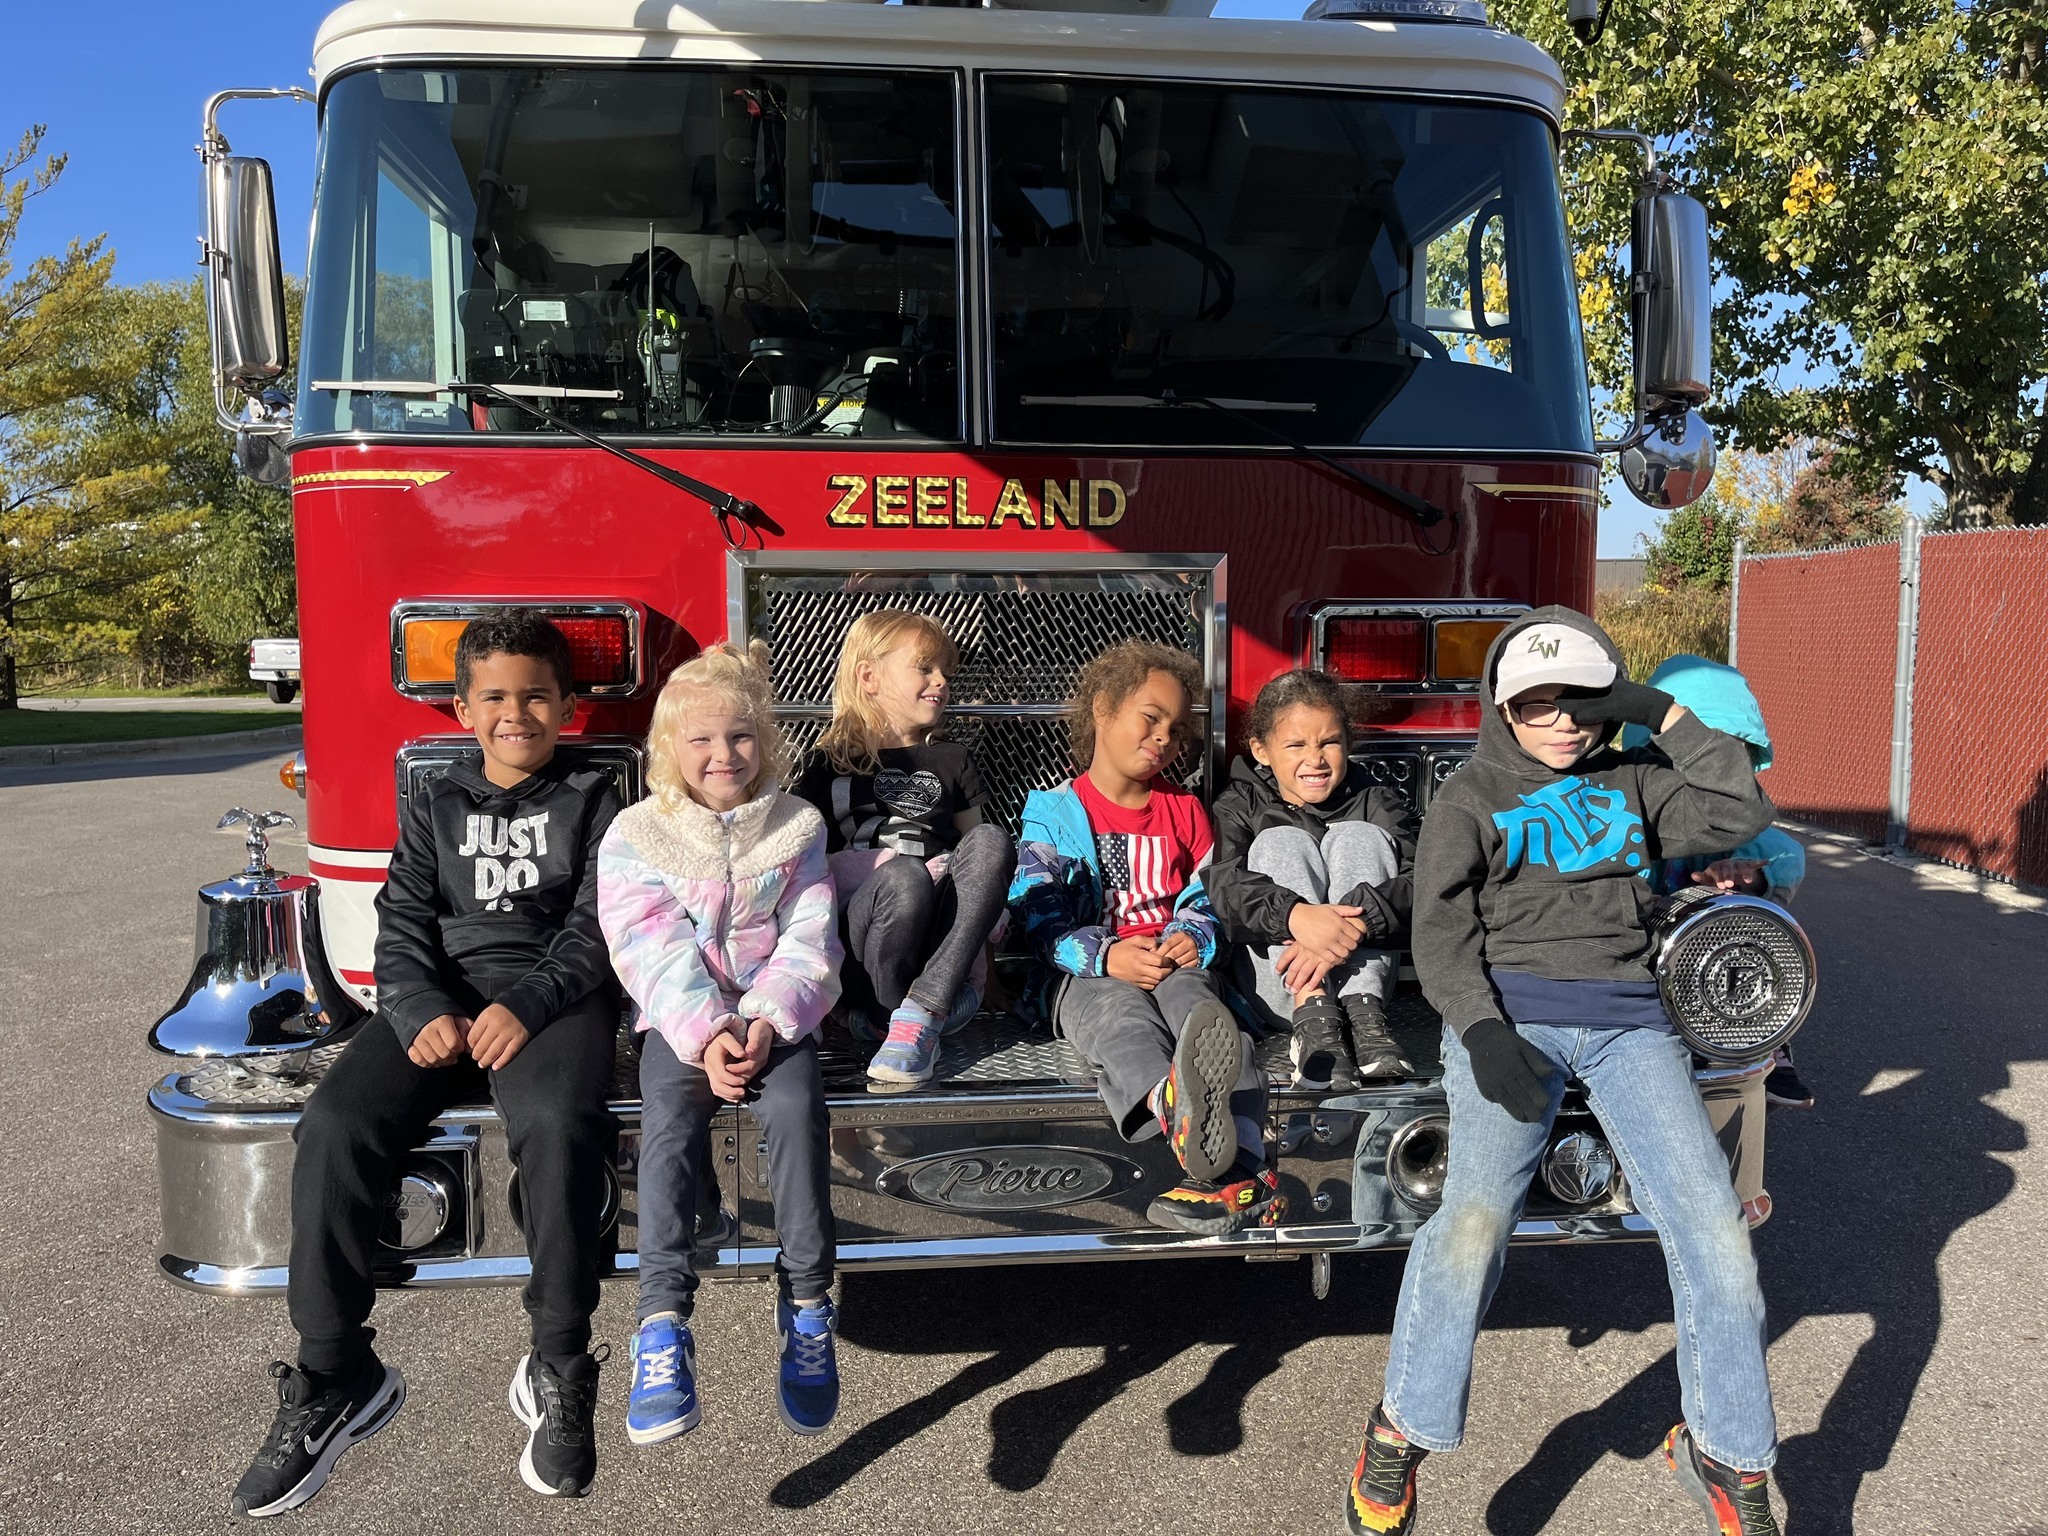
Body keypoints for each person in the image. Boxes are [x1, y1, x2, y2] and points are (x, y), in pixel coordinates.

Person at [1344, 608, 1784, 1536]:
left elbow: (1742, 810)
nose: (1563, 722)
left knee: (1714, 1231)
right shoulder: (1470, 796)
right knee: (1471, 1222)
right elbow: (1442, 931)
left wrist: (1660, 714)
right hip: (1514, 1026)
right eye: (1538, 704)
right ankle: (1399, 1430)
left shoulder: (1637, 779)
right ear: (1503, 707)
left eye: (1582, 701)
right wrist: (1479, 1030)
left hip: (1632, 1028)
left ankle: (1727, 1454)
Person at [232, 610, 623, 1516]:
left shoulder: (599, 797)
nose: (514, 713)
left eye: (535, 696)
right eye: (493, 696)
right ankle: (336, 1375)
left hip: (552, 1003)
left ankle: (559, 1364)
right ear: (461, 707)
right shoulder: (435, 799)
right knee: (332, 1123)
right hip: (440, 1003)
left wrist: (522, 1007)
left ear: (568, 706)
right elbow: (401, 919)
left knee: (564, 1127)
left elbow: (599, 929)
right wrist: (416, 1009)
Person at [597, 641, 845, 1448]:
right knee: (668, 1121)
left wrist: (769, 1020)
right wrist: (707, 1034)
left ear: (764, 743)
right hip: (682, 1022)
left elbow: (813, 937)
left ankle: (807, 1302)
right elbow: (646, 944)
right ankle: (662, 1323)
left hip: (779, 1014)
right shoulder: (638, 834)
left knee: (799, 1108)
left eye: (739, 736)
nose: (721, 754)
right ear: (669, 747)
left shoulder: (797, 827)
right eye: (699, 739)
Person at [1008, 639, 1280, 1235]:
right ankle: (1174, 1106)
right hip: (1086, 976)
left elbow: (1209, 894)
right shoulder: (1053, 811)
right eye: (1150, 718)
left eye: (1177, 730)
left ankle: (1245, 1160)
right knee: (1120, 1021)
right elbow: (1037, 913)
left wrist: (1193, 936)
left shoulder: (1184, 809)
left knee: (1204, 1018)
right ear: (1102, 709)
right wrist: (1105, 954)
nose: (1164, 738)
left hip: (1173, 961)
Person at [792, 610, 1014, 1086]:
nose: (941, 681)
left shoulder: (954, 758)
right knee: (904, 877)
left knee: (993, 840)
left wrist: (988, 975)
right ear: (868, 676)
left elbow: (981, 866)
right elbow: (803, 872)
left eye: (945, 673)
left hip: (944, 973)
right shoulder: (826, 764)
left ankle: (920, 1015)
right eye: (925, 667)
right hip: (863, 956)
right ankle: (881, 1016)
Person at [1206, 668, 1417, 1090]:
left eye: (1329, 743)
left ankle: (1364, 1019)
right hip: (1282, 987)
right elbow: (1224, 886)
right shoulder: (1240, 805)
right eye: (1296, 745)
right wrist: (1296, 916)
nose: (1315, 759)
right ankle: (1313, 1018)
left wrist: (1357, 923)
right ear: (1261, 751)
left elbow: (1425, 879)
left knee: (1359, 836)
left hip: (1367, 985)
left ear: (1348, 744)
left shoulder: (1377, 801)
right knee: (1283, 841)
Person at [1621, 653, 1813, 1108]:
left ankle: (1762, 1033)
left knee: (1758, 923)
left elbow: (1785, 852)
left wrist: (1744, 875)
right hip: (1644, 941)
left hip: (1711, 944)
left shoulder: (1735, 822)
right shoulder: (1634, 810)